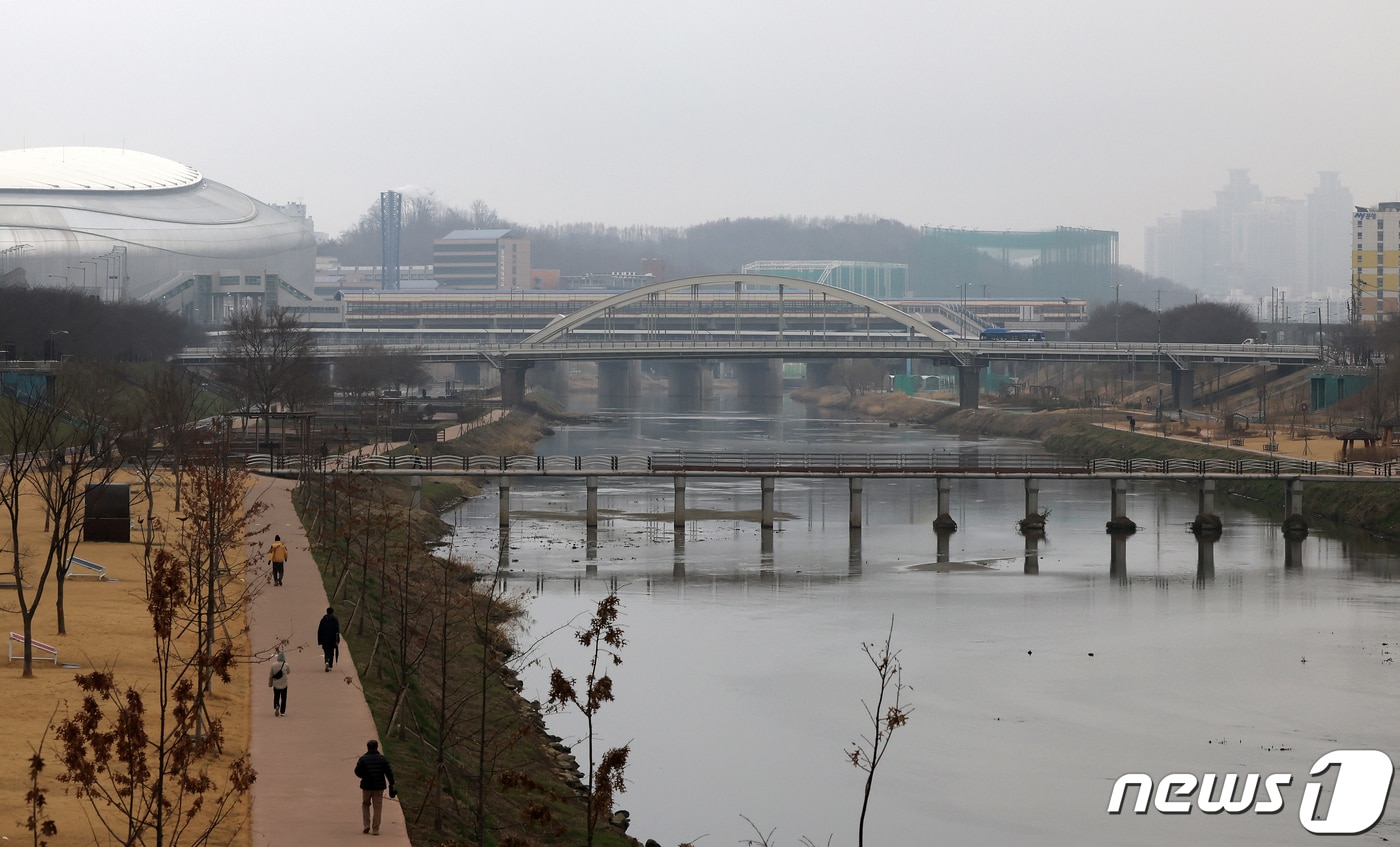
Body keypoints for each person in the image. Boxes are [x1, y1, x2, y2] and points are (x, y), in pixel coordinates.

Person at [354, 739, 396, 835]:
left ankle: (366, 825)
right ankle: (376, 828)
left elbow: (357, 772)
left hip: (366, 786)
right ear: (377, 747)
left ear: (367, 747)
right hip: (379, 786)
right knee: (377, 807)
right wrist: (391, 783)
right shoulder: (382, 759)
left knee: (365, 804)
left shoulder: (363, 759)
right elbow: (389, 772)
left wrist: (364, 776)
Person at [317, 607, 341, 672]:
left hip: (325, 639)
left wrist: (320, 640)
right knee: (331, 652)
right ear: (332, 612)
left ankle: (326, 661)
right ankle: (330, 665)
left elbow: (320, 630)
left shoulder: (323, 620)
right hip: (332, 639)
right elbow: (337, 631)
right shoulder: (335, 620)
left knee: (326, 651)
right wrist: (337, 640)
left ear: (326, 612)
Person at [268, 651, 290, 716]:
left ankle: (277, 705)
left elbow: (271, 675)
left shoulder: (273, 665)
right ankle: (282, 711)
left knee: (276, 696)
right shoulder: (286, 665)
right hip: (284, 684)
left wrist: (270, 683)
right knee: (284, 697)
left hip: (276, 684)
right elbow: (288, 672)